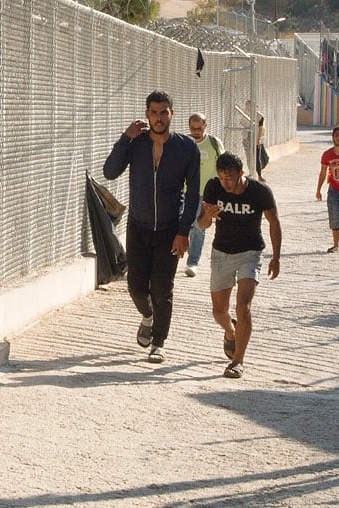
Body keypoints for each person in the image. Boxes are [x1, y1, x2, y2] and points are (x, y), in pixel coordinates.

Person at [103, 91, 202, 363]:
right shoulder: (136, 143)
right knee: (135, 286)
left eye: (164, 112)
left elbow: (193, 193)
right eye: (154, 113)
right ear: (147, 114)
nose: (159, 118)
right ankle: (147, 316)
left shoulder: (186, 147)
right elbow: (110, 171)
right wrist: (125, 138)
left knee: (162, 289)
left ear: (172, 114)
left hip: (170, 228)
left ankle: (159, 342)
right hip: (139, 225)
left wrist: (184, 231)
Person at [197, 152, 282, 378]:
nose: (226, 183)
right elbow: (202, 225)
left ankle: (237, 361)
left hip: (250, 252)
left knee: (243, 306)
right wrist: (208, 216)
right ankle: (230, 331)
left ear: (241, 173)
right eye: (222, 177)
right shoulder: (213, 188)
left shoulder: (259, 191)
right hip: (221, 252)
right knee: (219, 311)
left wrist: (276, 257)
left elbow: (274, 221)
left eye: (230, 178)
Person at [183, 113, 224, 277]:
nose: (196, 132)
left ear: (205, 126)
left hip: (206, 193)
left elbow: (223, 164)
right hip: (185, 191)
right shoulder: (184, 142)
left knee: (199, 227)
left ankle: (193, 262)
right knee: (182, 224)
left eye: (199, 129)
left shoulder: (214, 143)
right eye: (193, 129)